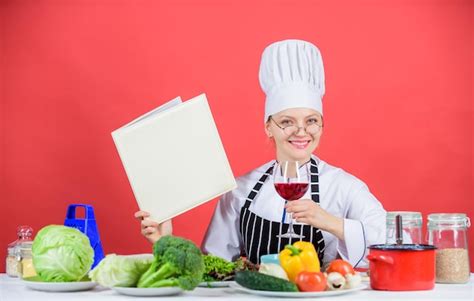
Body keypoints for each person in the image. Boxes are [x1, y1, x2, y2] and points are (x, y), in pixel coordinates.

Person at [135, 39, 386, 268]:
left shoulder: (345, 187)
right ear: (268, 127)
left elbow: (391, 241)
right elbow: (212, 265)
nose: (301, 131)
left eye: (311, 121)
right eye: (287, 121)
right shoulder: (241, 191)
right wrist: (163, 241)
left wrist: (331, 222)